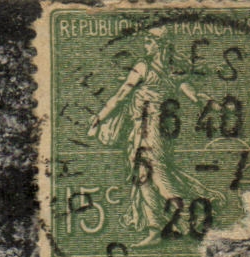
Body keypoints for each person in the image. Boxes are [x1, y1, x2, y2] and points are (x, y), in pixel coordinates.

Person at [86, 26, 217, 245]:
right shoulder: (172, 68)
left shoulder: (144, 67)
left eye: (149, 41)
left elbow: (120, 96)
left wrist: (100, 117)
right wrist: (198, 98)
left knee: (156, 174)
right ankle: (155, 228)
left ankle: (189, 215)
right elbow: (187, 88)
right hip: (148, 127)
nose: (145, 45)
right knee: (142, 175)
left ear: (159, 45)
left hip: (151, 127)